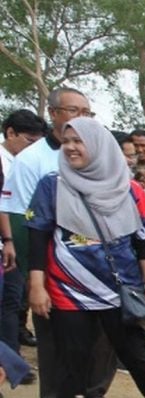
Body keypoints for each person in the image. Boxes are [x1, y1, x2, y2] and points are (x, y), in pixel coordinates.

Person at [25, 117, 145, 398]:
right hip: (68, 290)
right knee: (71, 365)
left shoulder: (128, 188)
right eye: (67, 141)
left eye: (81, 141)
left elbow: (144, 241)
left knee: (137, 358)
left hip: (118, 290)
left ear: (99, 147)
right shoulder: (53, 185)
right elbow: (38, 235)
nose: (72, 147)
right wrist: (37, 285)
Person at [0, 86, 119, 398]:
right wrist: (36, 276)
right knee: (54, 340)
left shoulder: (102, 155)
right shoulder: (31, 160)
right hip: (55, 268)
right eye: (74, 111)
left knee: (104, 334)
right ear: (54, 115)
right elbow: (24, 221)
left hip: (101, 266)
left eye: (87, 112)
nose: (82, 119)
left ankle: (94, 393)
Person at [0, 109, 47, 363]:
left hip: (14, 241)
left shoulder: (27, 161)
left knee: (12, 300)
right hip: (8, 241)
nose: (33, 148)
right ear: (10, 133)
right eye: (29, 141)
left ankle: (10, 361)